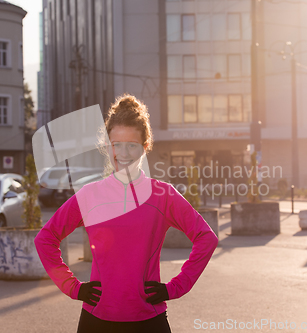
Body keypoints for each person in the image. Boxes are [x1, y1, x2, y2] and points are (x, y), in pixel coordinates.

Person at [34, 94, 219, 333]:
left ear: (145, 146)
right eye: (116, 144)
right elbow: (45, 239)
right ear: (107, 146)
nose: (123, 153)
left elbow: (207, 238)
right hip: (97, 319)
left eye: (132, 145)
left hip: (148, 318)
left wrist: (175, 287)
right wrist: (74, 287)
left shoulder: (163, 195)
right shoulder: (90, 195)